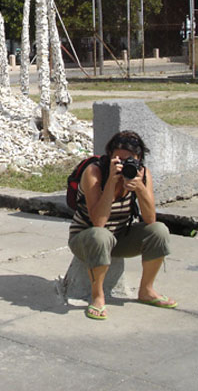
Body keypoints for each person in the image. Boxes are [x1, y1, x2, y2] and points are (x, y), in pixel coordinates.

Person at [68, 130, 176, 320]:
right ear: (110, 157)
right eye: (119, 159)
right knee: (101, 235)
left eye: (130, 160)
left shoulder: (142, 174)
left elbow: (150, 220)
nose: (124, 164)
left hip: (119, 236)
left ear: (139, 158)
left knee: (159, 231)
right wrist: (111, 182)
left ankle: (146, 290)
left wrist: (140, 188)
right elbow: (98, 222)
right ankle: (98, 296)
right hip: (87, 237)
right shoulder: (94, 172)